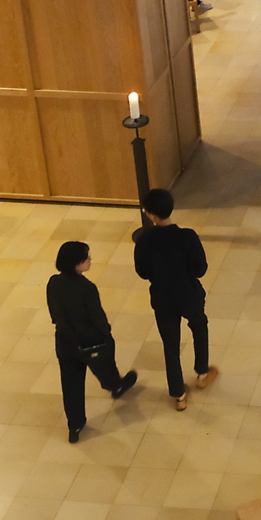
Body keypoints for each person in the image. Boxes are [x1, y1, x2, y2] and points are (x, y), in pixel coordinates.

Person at [133, 189, 218, 410]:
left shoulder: (143, 241)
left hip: (162, 298)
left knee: (170, 344)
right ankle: (201, 373)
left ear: (149, 214)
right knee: (199, 327)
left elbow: (142, 272)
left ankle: (179, 395)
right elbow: (201, 269)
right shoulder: (188, 237)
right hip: (189, 295)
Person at [46, 241, 137, 442]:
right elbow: (97, 318)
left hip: (64, 341)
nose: (90, 260)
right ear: (76, 264)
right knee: (104, 366)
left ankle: (75, 425)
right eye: (86, 258)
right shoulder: (87, 288)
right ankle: (116, 386)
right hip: (89, 340)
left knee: (70, 384)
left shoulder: (54, 282)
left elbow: (53, 311)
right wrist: (107, 333)